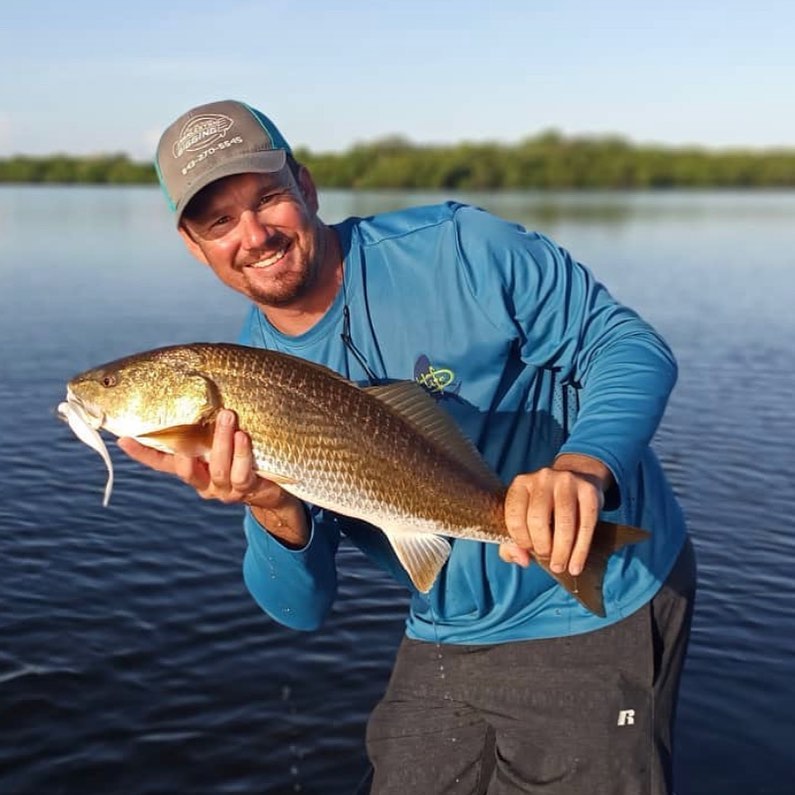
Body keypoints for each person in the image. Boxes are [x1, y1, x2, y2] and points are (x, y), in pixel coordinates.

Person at [121, 99, 696, 794]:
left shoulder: (460, 248)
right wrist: (269, 502)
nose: (254, 234)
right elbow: (300, 609)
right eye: (219, 222)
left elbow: (627, 346)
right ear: (194, 245)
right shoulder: (247, 375)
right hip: (446, 625)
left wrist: (582, 466)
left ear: (306, 186)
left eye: (267, 197)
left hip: (596, 593)